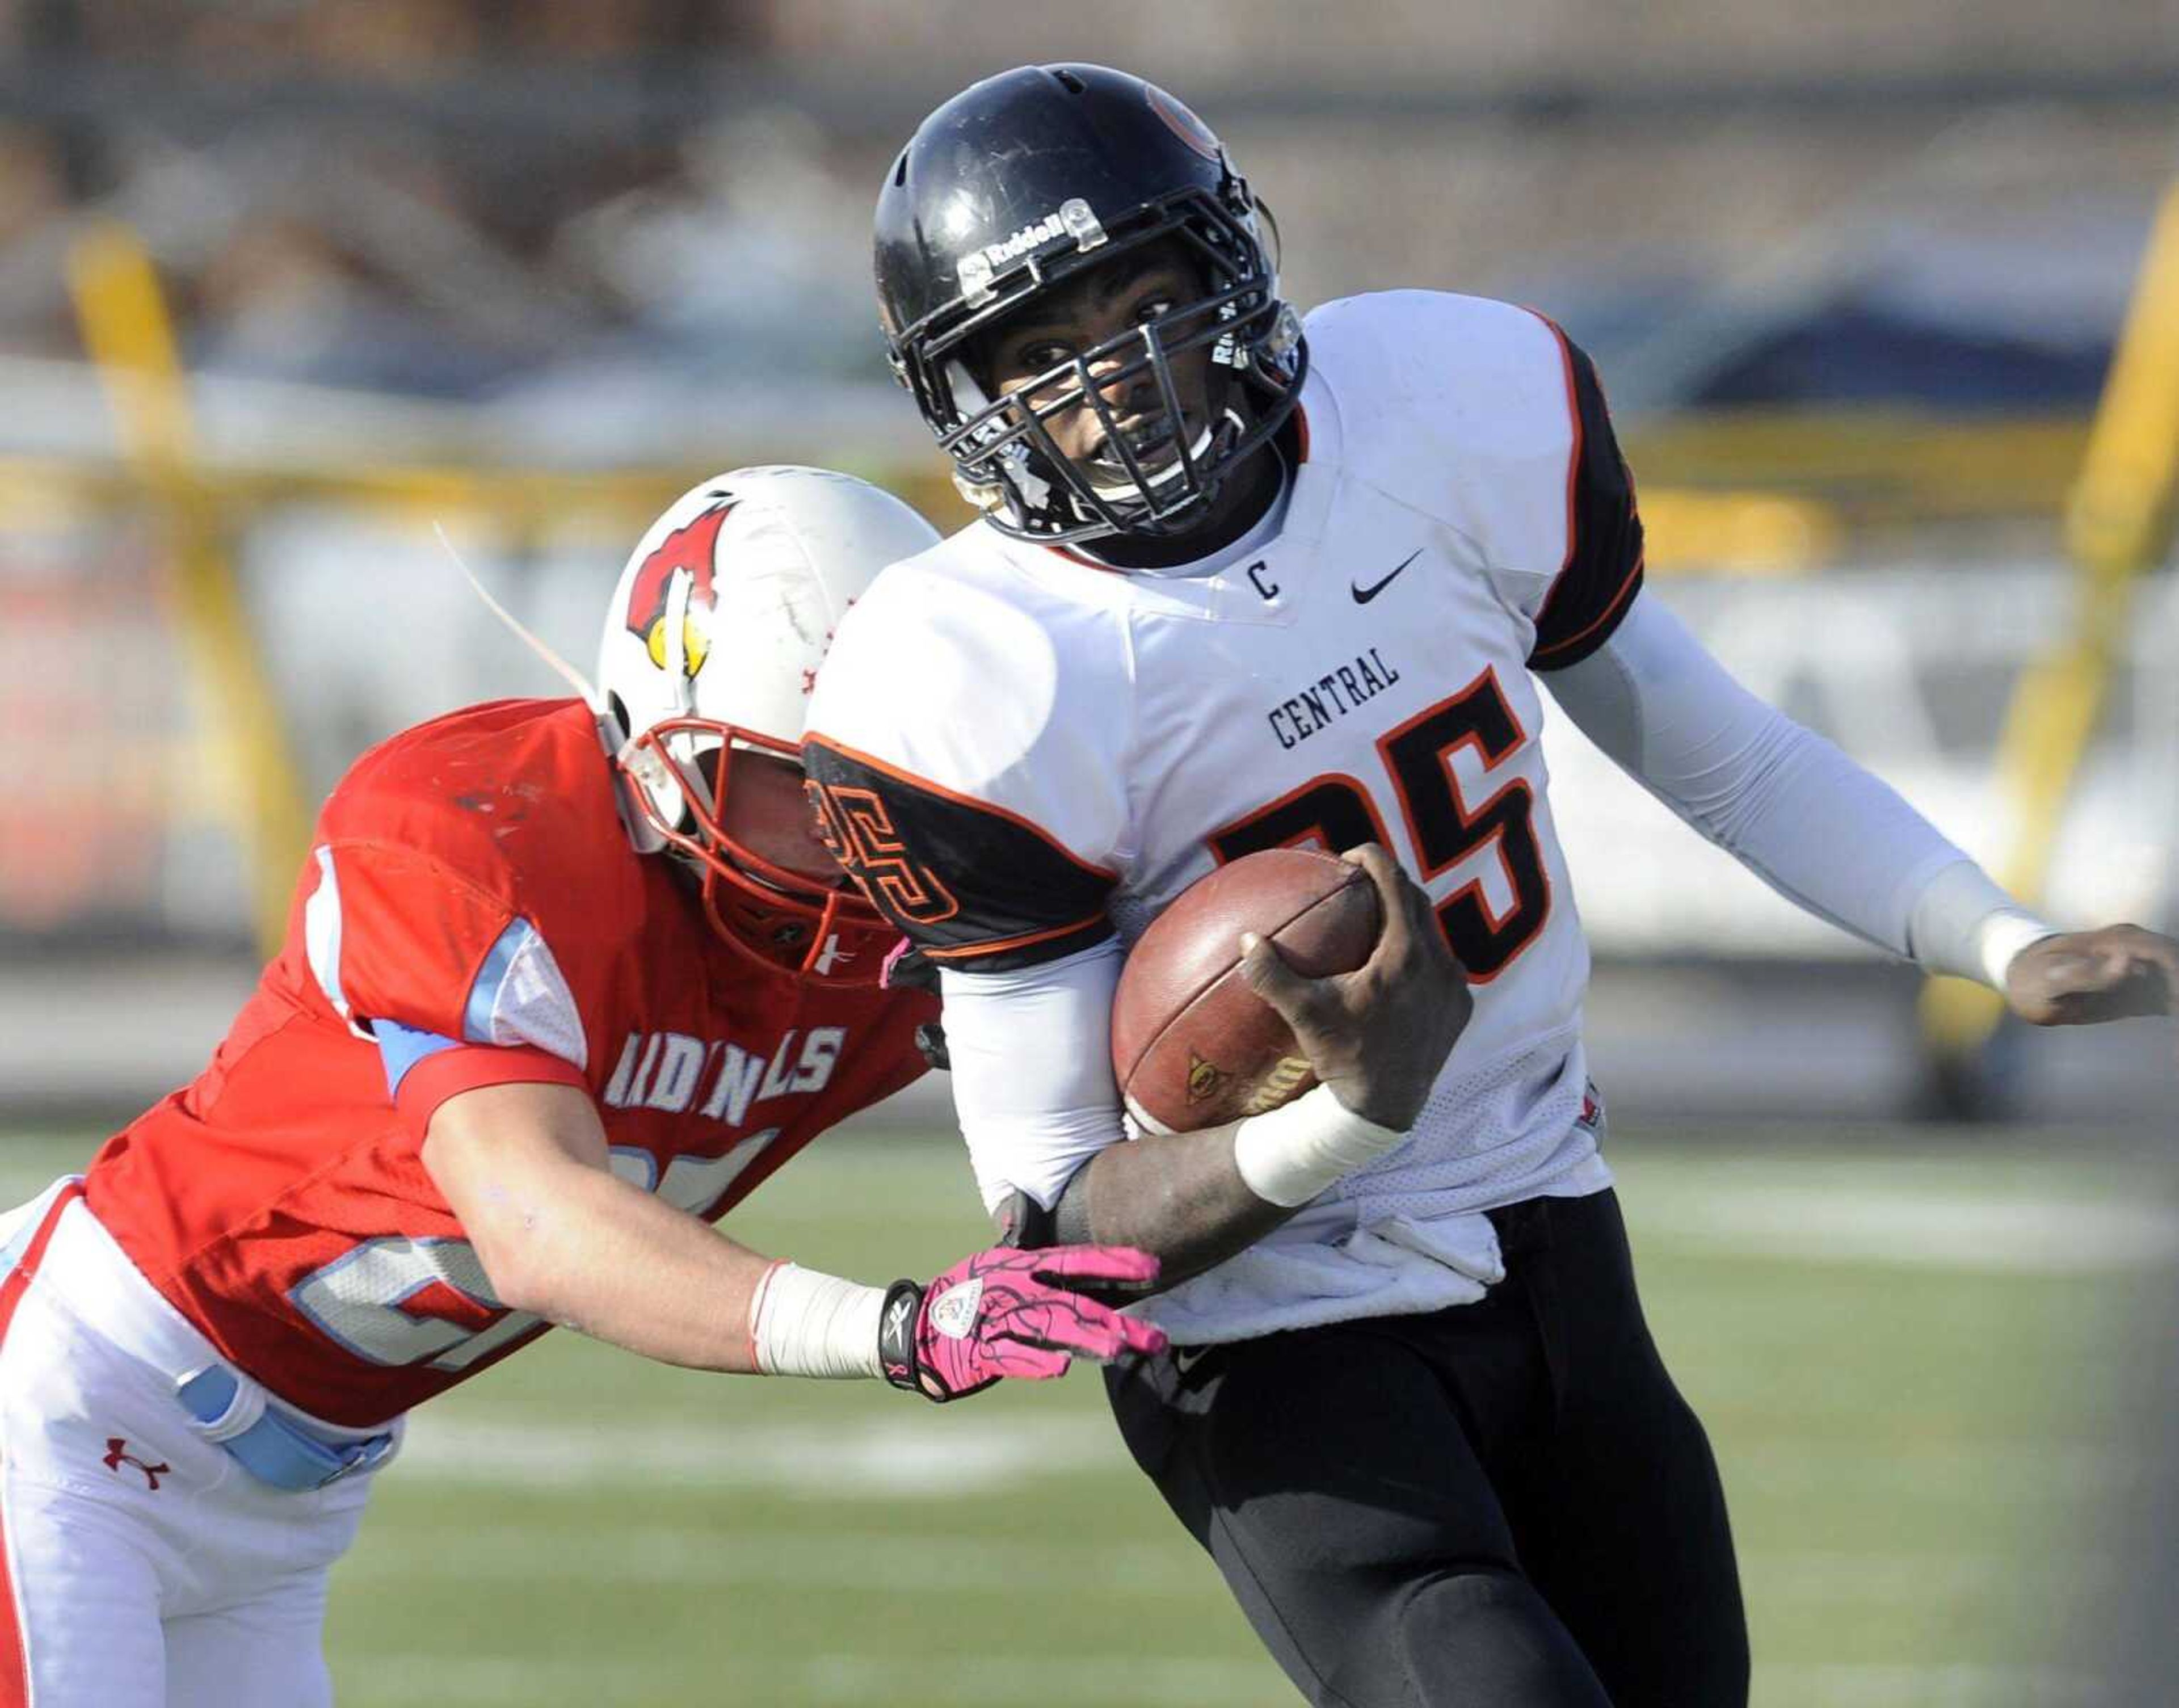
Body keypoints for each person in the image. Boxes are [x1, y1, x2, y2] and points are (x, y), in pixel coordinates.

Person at [802, 65, 2179, 1708]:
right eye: (1045, 354)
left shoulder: (1444, 406)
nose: (1120, 386)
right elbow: (1053, 1224)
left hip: (1554, 1227)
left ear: (1230, 269)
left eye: (1145, 303)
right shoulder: (976, 676)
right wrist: (1347, 1119)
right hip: (1281, 1345)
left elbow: (1722, 756)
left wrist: (1994, 937)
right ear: (968, 402)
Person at [0, 466, 1170, 1708]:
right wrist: (893, 1327)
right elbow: (536, 1223)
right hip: (75, 1413)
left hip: (288, 1503)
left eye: (883, 780)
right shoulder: (479, 826)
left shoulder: (916, 925)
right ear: (659, 733)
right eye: (800, 784)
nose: (851, 838)